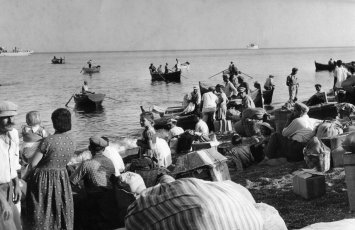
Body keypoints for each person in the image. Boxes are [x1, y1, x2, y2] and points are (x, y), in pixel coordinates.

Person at [26, 108, 76, 230]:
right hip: (62, 177)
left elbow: (33, 163)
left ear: (54, 122)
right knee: (60, 206)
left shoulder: (48, 141)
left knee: (41, 209)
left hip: (43, 178)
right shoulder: (72, 141)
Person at [70, 135, 120, 230]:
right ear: (103, 149)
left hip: (94, 199)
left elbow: (72, 182)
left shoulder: (87, 164)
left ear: (89, 148)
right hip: (109, 197)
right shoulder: (109, 161)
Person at [0, 101, 22, 230]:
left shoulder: (13, 134)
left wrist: (16, 184)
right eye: (6, 117)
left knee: (16, 225)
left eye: (13, 116)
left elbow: (13, 163)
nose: (11, 120)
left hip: (9, 187)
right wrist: (3, 202)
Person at [21, 111, 48, 179]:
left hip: (25, 149)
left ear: (27, 121)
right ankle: (34, 175)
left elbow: (16, 136)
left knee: (26, 163)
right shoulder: (41, 130)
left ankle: (24, 176)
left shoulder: (24, 129)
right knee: (36, 162)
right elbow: (48, 139)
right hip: (35, 150)